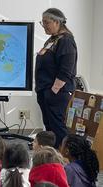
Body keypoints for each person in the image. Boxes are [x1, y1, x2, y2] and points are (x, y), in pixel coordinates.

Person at [35, 8, 77, 148]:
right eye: (43, 22)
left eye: (47, 22)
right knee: (50, 127)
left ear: (57, 22)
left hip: (56, 93)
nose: (44, 26)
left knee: (58, 128)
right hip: (45, 90)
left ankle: (64, 158)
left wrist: (53, 91)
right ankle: (51, 157)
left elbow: (66, 70)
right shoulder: (52, 39)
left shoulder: (66, 41)